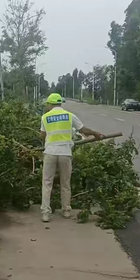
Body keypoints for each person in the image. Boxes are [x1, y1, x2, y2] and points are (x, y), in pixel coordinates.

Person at [40, 93, 104, 223]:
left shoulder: (45, 117)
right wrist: (95, 133)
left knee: (47, 183)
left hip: (50, 152)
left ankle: (46, 213)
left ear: (50, 104)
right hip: (65, 152)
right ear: (60, 103)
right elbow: (83, 130)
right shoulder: (69, 115)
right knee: (65, 183)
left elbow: (42, 135)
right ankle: (66, 210)